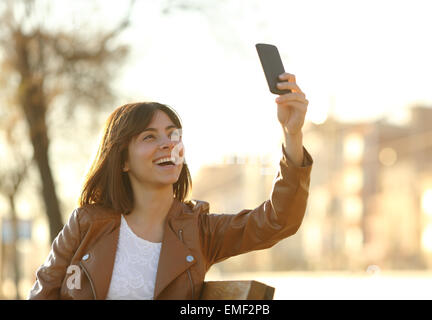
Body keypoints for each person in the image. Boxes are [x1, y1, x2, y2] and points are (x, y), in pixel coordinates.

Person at [28, 72, 313, 300]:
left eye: (172, 134)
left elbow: (279, 221)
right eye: (149, 137)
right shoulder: (87, 224)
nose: (167, 143)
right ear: (123, 161)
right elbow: (43, 293)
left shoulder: (200, 231)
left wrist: (292, 134)